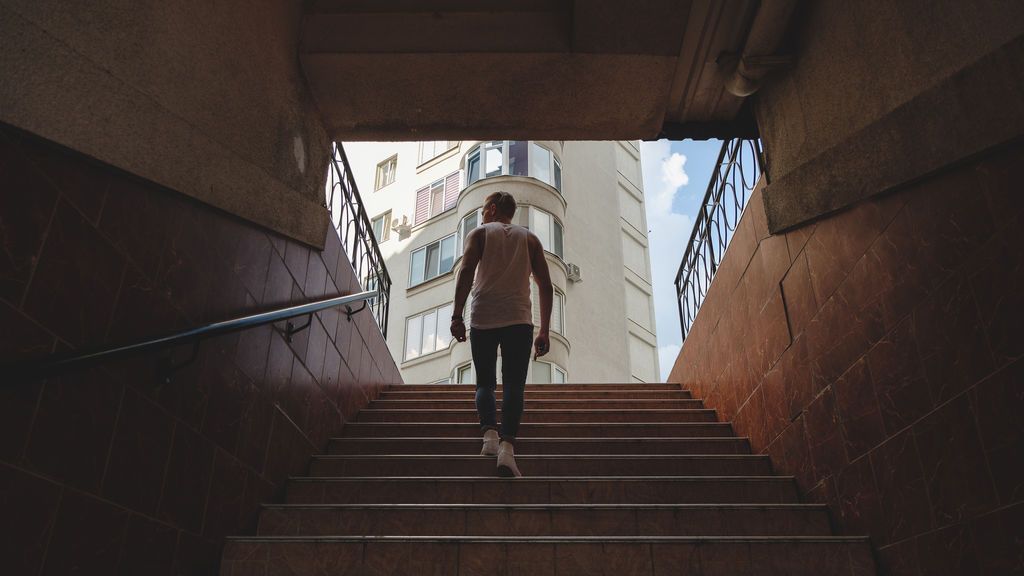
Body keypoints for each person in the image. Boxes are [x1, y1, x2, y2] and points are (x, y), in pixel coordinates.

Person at [450, 191, 553, 477]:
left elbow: (466, 272)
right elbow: (546, 285)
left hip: (483, 317)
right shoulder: (530, 239)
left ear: (492, 209)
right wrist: (544, 329)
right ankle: (507, 448)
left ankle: (489, 437)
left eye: (483, 210)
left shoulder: (480, 233)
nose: (483, 216)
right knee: (513, 386)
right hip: (519, 320)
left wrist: (457, 315)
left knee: (484, 383)